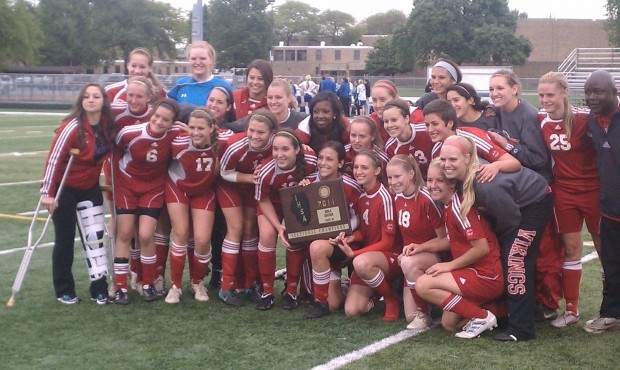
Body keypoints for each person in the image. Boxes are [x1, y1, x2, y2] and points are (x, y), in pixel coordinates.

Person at [440, 135, 552, 341]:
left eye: (452, 160)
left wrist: (497, 239)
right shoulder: (465, 176)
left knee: (515, 259)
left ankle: (522, 329)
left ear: (466, 158)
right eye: (443, 160)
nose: (446, 165)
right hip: (516, 204)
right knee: (508, 255)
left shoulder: (484, 184)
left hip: (534, 203)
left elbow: (510, 218)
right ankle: (519, 312)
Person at [488, 69, 560, 320]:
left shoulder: (528, 115)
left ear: (515, 89)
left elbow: (538, 159)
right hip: (515, 190)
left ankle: (549, 303)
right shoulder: (496, 113)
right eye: (492, 89)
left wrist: (506, 145)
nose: (495, 93)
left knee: (542, 251)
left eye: (500, 88)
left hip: (538, 191)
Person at [538, 72, 602, 328]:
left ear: (564, 92)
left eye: (550, 95)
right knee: (572, 250)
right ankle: (572, 310)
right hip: (564, 192)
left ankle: (611, 309)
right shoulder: (540, 119)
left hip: (594, 190)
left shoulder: (586, 118)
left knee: (604, 250)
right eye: (541, 95)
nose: (545, 100)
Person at [41, 83, 115, 304]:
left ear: (104, 101)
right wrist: (48, 193)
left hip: (89, 187)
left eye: (96, 96)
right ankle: (64, 288)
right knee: (64, 239)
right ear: (81, 101)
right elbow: (54, 159)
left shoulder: (108, 126)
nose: (91, 100)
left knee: (94, 238)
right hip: (65, 188)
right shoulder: (72, 126)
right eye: (86, 96)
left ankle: (99, 287)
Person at [416, 158, 503, 339]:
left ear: (452, 184)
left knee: (423, 284)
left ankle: (483, 316)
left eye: (439, 181)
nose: (432, 185)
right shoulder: (449, 205)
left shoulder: (459, 206)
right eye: (429, 180)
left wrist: (449, 266)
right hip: (474, 273)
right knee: (450, 324)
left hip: (485, 276)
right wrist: (421, 247)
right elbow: (452, 240)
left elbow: (481, 248)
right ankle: (497, 309)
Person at [112, 98, 182, 304]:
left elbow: (192, 135)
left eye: (165, 120)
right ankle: (120, 286)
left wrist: (184, 127)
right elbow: (115, 151)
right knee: (125, 233)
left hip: (152, 188)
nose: (159, 121)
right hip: (127, 185)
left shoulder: (175, 135)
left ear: (172, 123)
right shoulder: (130, 132)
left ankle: (148, 282)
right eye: (157, 116)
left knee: (145, 235)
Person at [217, 108, 278, 306]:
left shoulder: (276, 146)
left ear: (272, 133)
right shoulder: (236, 145)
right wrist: (249, 178)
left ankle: (251, 284)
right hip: (231, 186)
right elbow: (224, 172)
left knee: (251, 230)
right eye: (251, 130)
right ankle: (226, 286)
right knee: (236, 228)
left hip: (254, 189)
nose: (254, 136)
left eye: (261, 132)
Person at [330, 150, 399, 322]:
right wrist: (351, 238)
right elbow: (365, 230)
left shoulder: (386, 197)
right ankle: (377, 292)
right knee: (352, 310)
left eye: (364, 168)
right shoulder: (362, 196)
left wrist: (355, 254)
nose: (358, 171)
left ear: (376, 171)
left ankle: (391, 298)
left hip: (390, 257)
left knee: (360, 262)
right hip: (369, 258)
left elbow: (387, 242)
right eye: (356, 167)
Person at [254, 129, 317, 310]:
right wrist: (278, 227)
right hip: (272, 204)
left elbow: (321, 176)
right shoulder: (266, 170)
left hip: (296, 201)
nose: (279, 154)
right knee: (266, 236)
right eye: (275, 149)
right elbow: (263, 200)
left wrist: (310, 181)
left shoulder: (311, 159)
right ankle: (267, 292)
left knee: (295, 238)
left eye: (285, 149)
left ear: (297, 150)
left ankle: (291, 291)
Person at [164, 108, 220, 304]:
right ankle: (175, 286)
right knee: (180, 232)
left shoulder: (222, 143)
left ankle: (197, 282)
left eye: (201, 128)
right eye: (192, 127)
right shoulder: (178, 141)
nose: (195, 132)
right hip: (178, 187)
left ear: (211, 128)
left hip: (203, 191)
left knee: (203, 240)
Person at [387, 155, 447, 332]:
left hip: (435, 257)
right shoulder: (397, 197)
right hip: (413, 260)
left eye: (397, 176)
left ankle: (425, 312)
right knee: (409, 316)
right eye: (390, 177)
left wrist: (418, 249)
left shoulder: (426, 199)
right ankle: (426, 302)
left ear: (411, 174)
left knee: (407, 261)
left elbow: (445, 240)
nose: (393, 181)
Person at [305, 141, 362, 318]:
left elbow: (358, 216)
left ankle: (320, 302)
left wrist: (344, 231)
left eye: (329, 159)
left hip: (347, 243)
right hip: (326, 244)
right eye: (320, 158)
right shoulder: (310, 182)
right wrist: (302, 193)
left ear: (340, 163)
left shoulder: (350, 186)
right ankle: (328, 297)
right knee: (334, 304)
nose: (323, 163)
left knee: (317, 246)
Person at [583, 69, 620, 334]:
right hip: (609, 208)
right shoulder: (592, 121)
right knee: (612, 263)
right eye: (588, 92)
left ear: (613, 92)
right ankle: (611, 315)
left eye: (598, 92)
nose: (592, 97)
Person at [422, 98, 521, 182]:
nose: (430, 130)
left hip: (502, 187)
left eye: (435, 124)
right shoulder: (436, 151)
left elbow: (514, 163)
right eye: (427, 125)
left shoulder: (472, 138)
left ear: (450, 123)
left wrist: (495, 166)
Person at [167, 41, 233, 108]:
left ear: (211, 60)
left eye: (202, 58)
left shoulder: (223, 86)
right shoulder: (180, 84)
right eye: (193, 59)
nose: (198, 62)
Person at [382, 98, 434, 177]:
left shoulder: (426, 131)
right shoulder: (390, 147)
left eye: (394, 120)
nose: (389, 125)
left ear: (406, 118)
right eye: (386, 121)